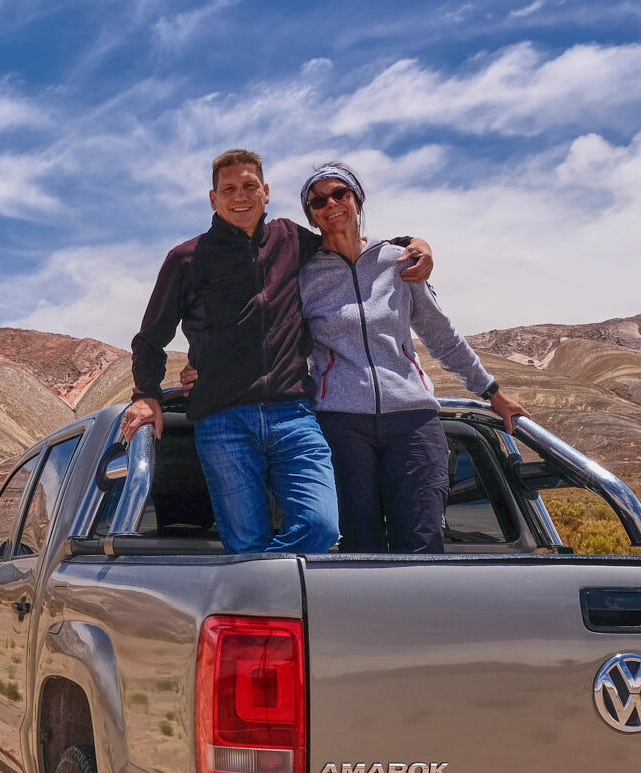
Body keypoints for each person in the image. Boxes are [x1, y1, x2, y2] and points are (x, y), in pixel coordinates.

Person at [122, 149, 433, 555]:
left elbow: (345, 237)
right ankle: (265, 601)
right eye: (229, 189)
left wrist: (412, 243)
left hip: (295, 416)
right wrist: (146, 395)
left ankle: (255, 580)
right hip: (222, 421)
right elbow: (150, 339)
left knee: (321, 529)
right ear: (213, 198)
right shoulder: (185, 259)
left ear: (265, 192)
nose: (240, 196)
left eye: (249, 186)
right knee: (245, 542)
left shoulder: (291, 239)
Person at [297, 162, 529, 554]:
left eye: (340, 194)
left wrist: (491, 391)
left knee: (421, 543)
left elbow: (441, 335)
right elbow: (272, 335)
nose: (331, 204)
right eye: (318, 201)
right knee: (359, 548)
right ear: (311, 214)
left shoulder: (399, 261)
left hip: (413, 421)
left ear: (357, 198)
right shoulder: (304, 276)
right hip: (340, 424)